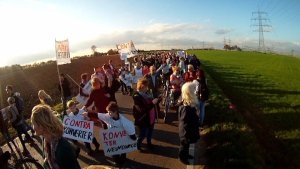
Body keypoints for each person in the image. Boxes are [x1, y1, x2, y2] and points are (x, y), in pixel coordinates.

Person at [85, 102, 136, 167]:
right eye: (108, 112)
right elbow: (98, 115)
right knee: (114, 152)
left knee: (123, 150)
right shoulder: (108, 116)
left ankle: (123, 160)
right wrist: (88, 113)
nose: (108, 114)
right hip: (113, 140)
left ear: (115, 112)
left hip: (122, 140)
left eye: (110, 112)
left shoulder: (124, 122)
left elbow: (131, 132)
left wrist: (133, 139)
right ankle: (118, 162)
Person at [31, 104, 81, 169]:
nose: (33, 127)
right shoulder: (46, 141)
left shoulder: (63, 148)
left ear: (41, 126)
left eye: (33, 124)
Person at [132, 78, 159, 151]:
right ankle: (138, 145)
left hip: (151, 117)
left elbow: (152, 103)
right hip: (143, 119)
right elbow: (142, 109)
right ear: (141, 86)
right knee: (143, 134)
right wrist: (152, 103)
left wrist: (158, 99)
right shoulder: (136, 96)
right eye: (146, 86)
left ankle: (149, 143)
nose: (147, 88)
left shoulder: (147, 93)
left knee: (150, 132)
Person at [178, 82, 200, 164]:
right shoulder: (186, 107)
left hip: (188, 130)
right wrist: (185, 135)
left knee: (187, 145)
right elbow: (184, 122)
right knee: (184, 146)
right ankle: (182, 158)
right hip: (185, 132)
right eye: (194, 90)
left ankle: (186, 155)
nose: (195, 92)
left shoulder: (188, 103)